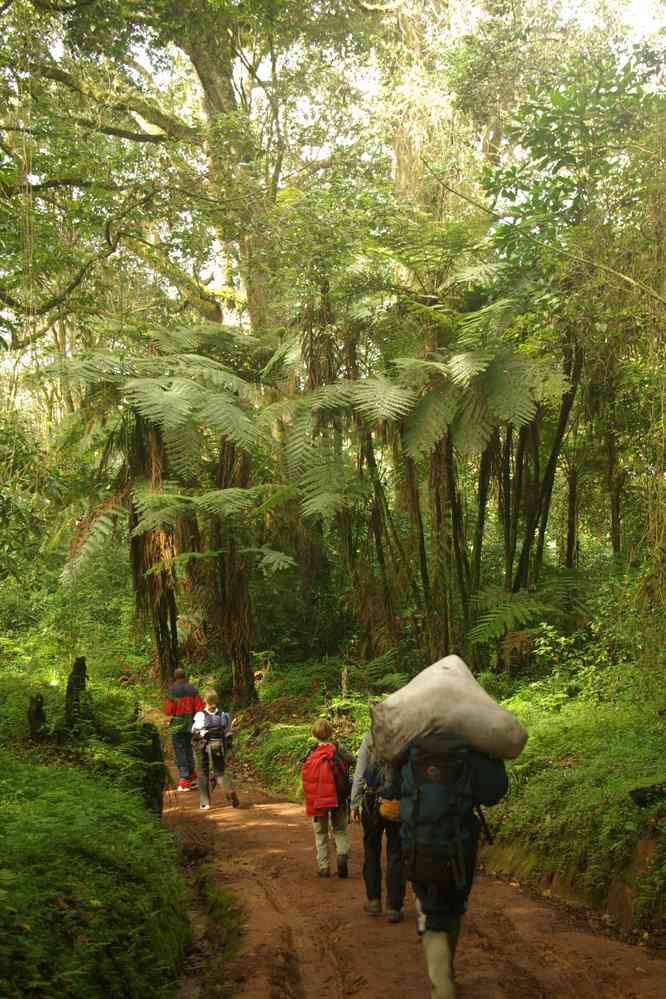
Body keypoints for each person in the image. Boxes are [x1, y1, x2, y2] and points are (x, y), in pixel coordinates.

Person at [396, 735, 508, 999]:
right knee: (453, 907)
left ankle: (441, 982)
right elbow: (494, 792)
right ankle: (446, 977)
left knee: (429, 907)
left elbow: (389, 789)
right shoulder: (471, 745)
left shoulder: (408, 745)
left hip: (417, 845)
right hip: (459, 848)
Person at [351, 731, 405, 923]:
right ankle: (394, 906)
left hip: (372, 802)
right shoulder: (406, 736)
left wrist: (354, 802)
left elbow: (360, 771)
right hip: (397, 803)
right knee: (396, 854)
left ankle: (374, 900)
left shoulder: (370, 737)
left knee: (372, 851)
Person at [301, 718, 353, 879]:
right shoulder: (338, 750)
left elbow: (304, 772)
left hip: (318, 800)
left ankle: (324, 867)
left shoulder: (311, 752)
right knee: (340, 830)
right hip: (338, 797)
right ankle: (342, 855)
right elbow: (353, 760)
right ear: (330, 733)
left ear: (314, 734)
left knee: (321, 833)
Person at [191, 689, 239, 810]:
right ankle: (230, 790)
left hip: (203, 746)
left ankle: (205, 802)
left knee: (203, 772)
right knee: (220, 772)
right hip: (218, 745)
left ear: (204, 700)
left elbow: (194, 731)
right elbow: (228, 730)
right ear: (216, 700)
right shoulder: (224, 715)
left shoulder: (200, 715)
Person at [164, 668, 204, 791]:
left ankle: (184, 779)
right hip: (190, 724)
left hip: (177, 725)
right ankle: (192, 775)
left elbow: (168, 711)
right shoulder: (193, 689)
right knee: (188, 748)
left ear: (175, 678)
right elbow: (200, 707)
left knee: (179, 750)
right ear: (185, 676)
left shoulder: (172, 691)